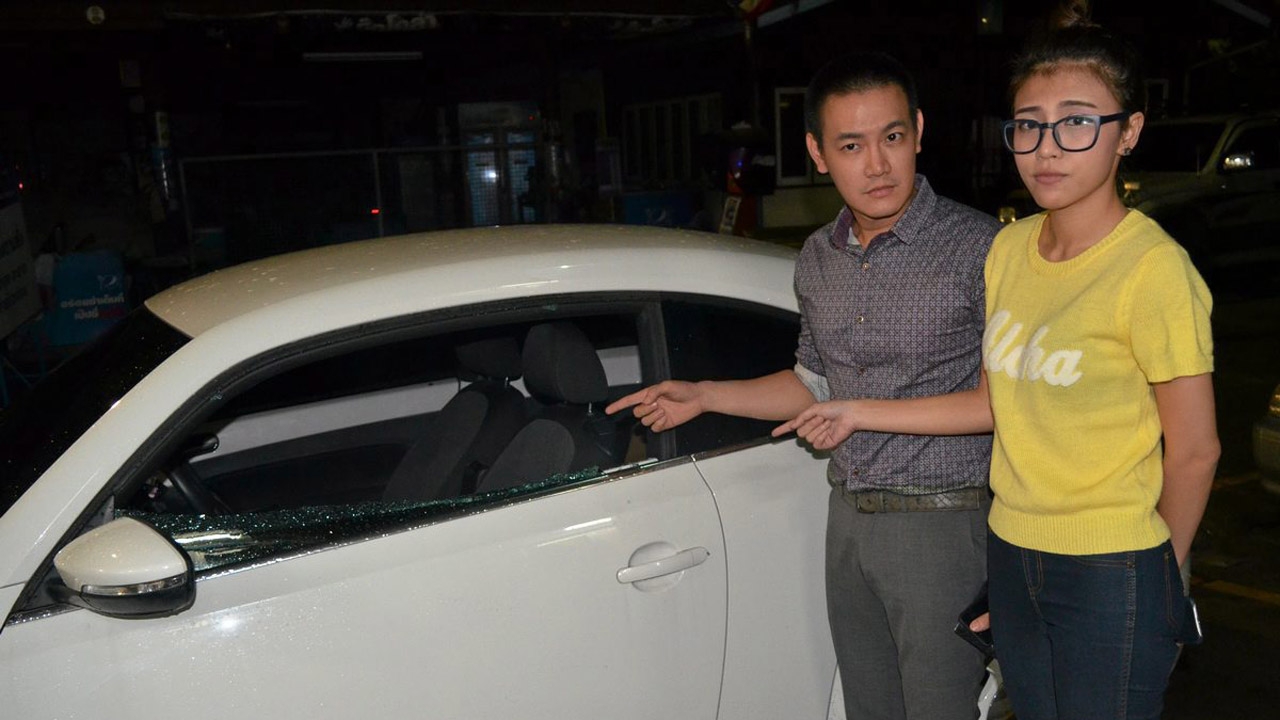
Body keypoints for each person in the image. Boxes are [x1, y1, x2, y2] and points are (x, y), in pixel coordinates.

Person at [775, 6, 1220, 719]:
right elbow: (990, 402)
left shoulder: (1153, 269)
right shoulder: (1010, 250)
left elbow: (1196, 451)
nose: (1048, 149)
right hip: (1013, 550)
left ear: (1128, 132)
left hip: (1114, 563)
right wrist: (855, 410)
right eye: (1029, 126)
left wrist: (1157, 579)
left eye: (1077, 123)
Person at [607, 51, 1001, 720]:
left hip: (941, 524)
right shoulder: (818, 256)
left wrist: (858, 412)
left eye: (892, 136)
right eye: (851, 145)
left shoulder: (980, 248)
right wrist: (705, 395)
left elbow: (1001, 406)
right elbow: (812, 381)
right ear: (819, 153)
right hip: (847, 520)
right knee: (868, 709)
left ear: (918, 131)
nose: (876, 164)